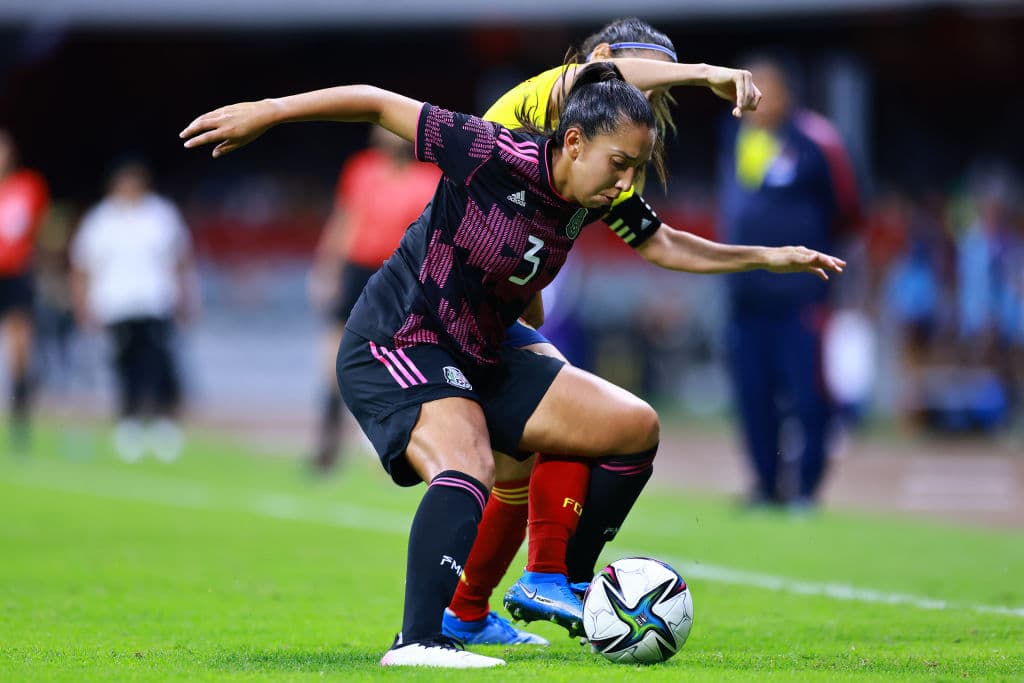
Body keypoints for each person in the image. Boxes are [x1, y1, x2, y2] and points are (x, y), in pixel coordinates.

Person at [181, 63, 842, 668]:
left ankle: (563, 579)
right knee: (469, 459)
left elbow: (665, 243)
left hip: (482, 345)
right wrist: (269, 109)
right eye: (619, 163)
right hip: (402, 336)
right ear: (574, 141)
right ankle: (418, 639)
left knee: (632, 426)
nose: (625, 182)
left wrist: (768, 255)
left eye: (635, 168)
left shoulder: (598, 193)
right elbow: (376, 101)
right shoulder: (491, 151)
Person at [448, 17, 764, 644]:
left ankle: (466, 612)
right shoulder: (557, 93)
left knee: (523, 461)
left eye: (658, 95)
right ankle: (544, 577)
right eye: (646, 80)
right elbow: (609, 78)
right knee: (566, 432)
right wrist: (705, 72)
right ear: (601, 59)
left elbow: (658, 241)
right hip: (453, 287)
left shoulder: (614, 155)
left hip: (501, 286)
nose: (648, 99)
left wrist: (766, 255)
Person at [716, 55, 861, 510]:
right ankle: (765, 485)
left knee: (807, 392)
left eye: (765, 88)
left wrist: (816, 258)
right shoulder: (737, 135)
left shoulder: (817, 139)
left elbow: (851, 209)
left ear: (787, 93)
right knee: (752, 393)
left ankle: (805, 489)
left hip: (801, 295)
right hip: (746, 293)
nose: (755, 97)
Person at [308, 127, 440, 473]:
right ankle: (328, 442)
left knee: (398, 358)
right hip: (356, 269)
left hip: (397, 276)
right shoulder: (361, 169)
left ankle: (394, 442)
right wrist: (327, 267)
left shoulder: (428, 178)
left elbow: (430, 236)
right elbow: (344, 219)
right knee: (335, 355)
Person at [71, 161, 198, 463]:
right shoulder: (100, 220)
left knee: (158, 365)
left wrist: (187, 297)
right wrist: (82, 304)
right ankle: (128, 424)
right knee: (125, 366)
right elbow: (82, 265)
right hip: (116, 305)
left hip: (155, 301)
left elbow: (180, 260)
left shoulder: (161, 215)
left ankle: (163, 424)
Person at [0, 129, 49, 452]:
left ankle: (20, 422)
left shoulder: (28, 186)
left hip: (16, 276)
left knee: (19, 352)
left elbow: (40, 234)